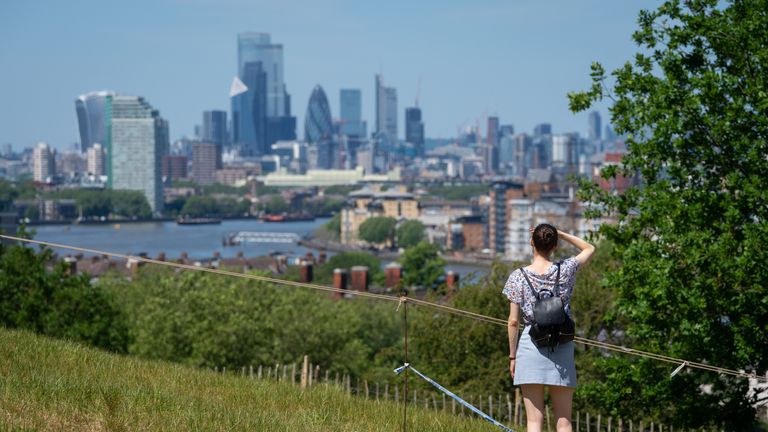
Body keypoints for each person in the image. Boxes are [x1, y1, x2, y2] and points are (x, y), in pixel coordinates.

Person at [502, 223, 595, 432]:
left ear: (531, 242)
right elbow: (589, 248)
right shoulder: (566, 269)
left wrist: (512, 356)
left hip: (530, 345)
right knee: (564, 421)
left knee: (534, 421)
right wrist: (560, 233)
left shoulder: (517, 276)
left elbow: (513, 321)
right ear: (554, 245)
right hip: (561, 344)